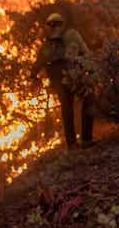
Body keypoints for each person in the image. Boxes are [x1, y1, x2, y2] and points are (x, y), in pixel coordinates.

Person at [30, 12, 95, 149]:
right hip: (74, 76)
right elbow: (86, 53)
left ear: (49, 26)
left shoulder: (46, 46)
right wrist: (91, 71)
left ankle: (71, 144)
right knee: (89, 100)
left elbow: (36, 67)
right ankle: (86, 139)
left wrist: (34, 78)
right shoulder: (72, 35)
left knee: (67, 110)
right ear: (62, 23)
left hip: (58, 81)